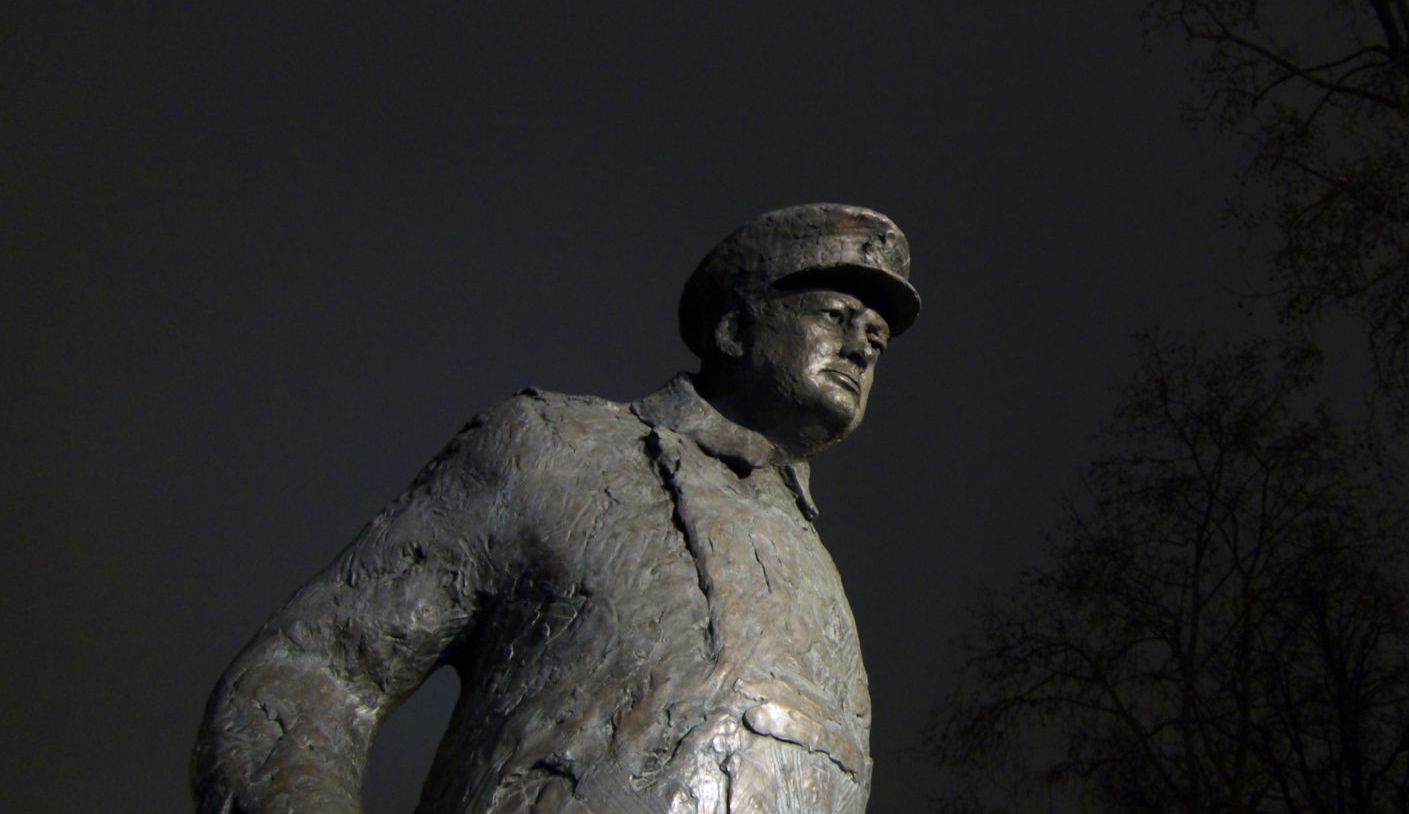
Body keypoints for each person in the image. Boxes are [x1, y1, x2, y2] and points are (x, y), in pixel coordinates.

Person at [192, 203, 921, 814]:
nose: (862, 347)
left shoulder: (822, 582)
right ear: (734, 328)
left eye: (877, 337)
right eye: (836, 314)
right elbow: (314, 669)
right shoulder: (551, 447)